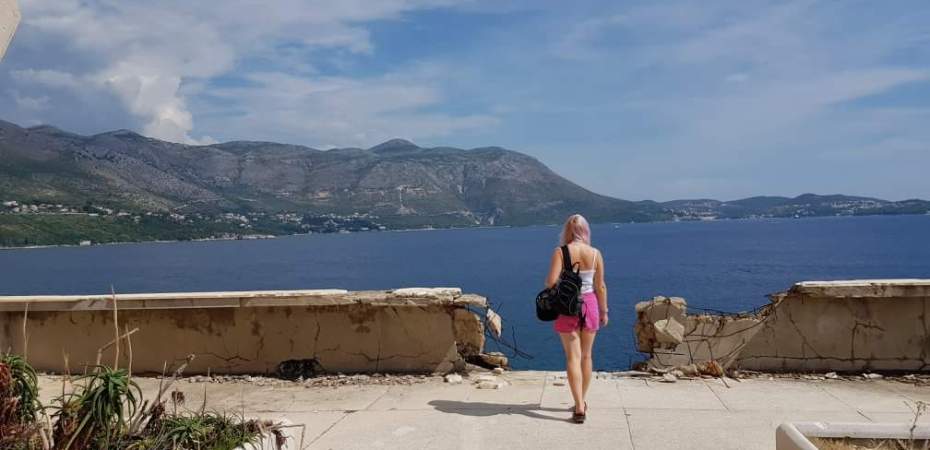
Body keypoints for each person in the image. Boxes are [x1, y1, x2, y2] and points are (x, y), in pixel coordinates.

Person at [545, 214, 608, 424]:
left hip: (567, 306)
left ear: (567, 231)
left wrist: (565, 283)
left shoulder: (561, 252)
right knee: (586, 356)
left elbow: (550, 282)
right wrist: (604, 311)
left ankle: (579, 405)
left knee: (573, 357)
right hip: (590, 305)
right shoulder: (595, 253)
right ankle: (582, 401)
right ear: (585, 231)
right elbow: (600, 286)